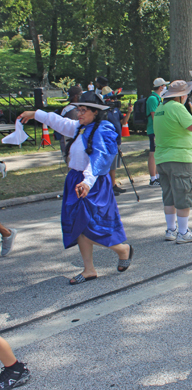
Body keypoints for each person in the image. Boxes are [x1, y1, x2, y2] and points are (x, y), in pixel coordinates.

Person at [19, 91, 133, 285]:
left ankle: (122, 250)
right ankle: (89, 269)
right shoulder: (80, 127)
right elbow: (58, 122)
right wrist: (35, 113)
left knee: (92, 226)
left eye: (83, 110)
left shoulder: (103, 129)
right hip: (75, 180)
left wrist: (87, 182)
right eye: (78, 110)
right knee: (77, 226)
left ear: (95, 112)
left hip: (93, 183)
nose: (79, 114)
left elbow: (99, 159)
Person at [153, 80, 192, 244]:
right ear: (181, 95)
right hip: (179, 157)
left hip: (162, 157)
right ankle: (183, 232)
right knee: (183, 194)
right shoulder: (177, 107)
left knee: (169, 195)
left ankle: (171, 229)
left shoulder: (161, 108)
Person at [105, 92, 133, 196]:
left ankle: (113, 185)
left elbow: (123, 122)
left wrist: (129, 112)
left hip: (117, 140)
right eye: (112, 99)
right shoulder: (104, 111)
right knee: (108, 165)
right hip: (108, 141)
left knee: (113, 166)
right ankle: (108, 187)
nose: (115, 101)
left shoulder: (116, 110)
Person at [147, 78, 168, 186]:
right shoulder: (152, 99)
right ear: (161, 87)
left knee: (157, 152)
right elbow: (154, 116)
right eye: (164, 86)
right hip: (154, 129)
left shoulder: (158, 98)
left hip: (158, 129)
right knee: (153, 153)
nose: (165, 88)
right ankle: (153, 178)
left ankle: (157, 176)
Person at [54, 85, 82, 156]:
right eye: (81, 94)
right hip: (70, 147)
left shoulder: (67, 109)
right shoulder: (72, 111)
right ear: (76, 96)